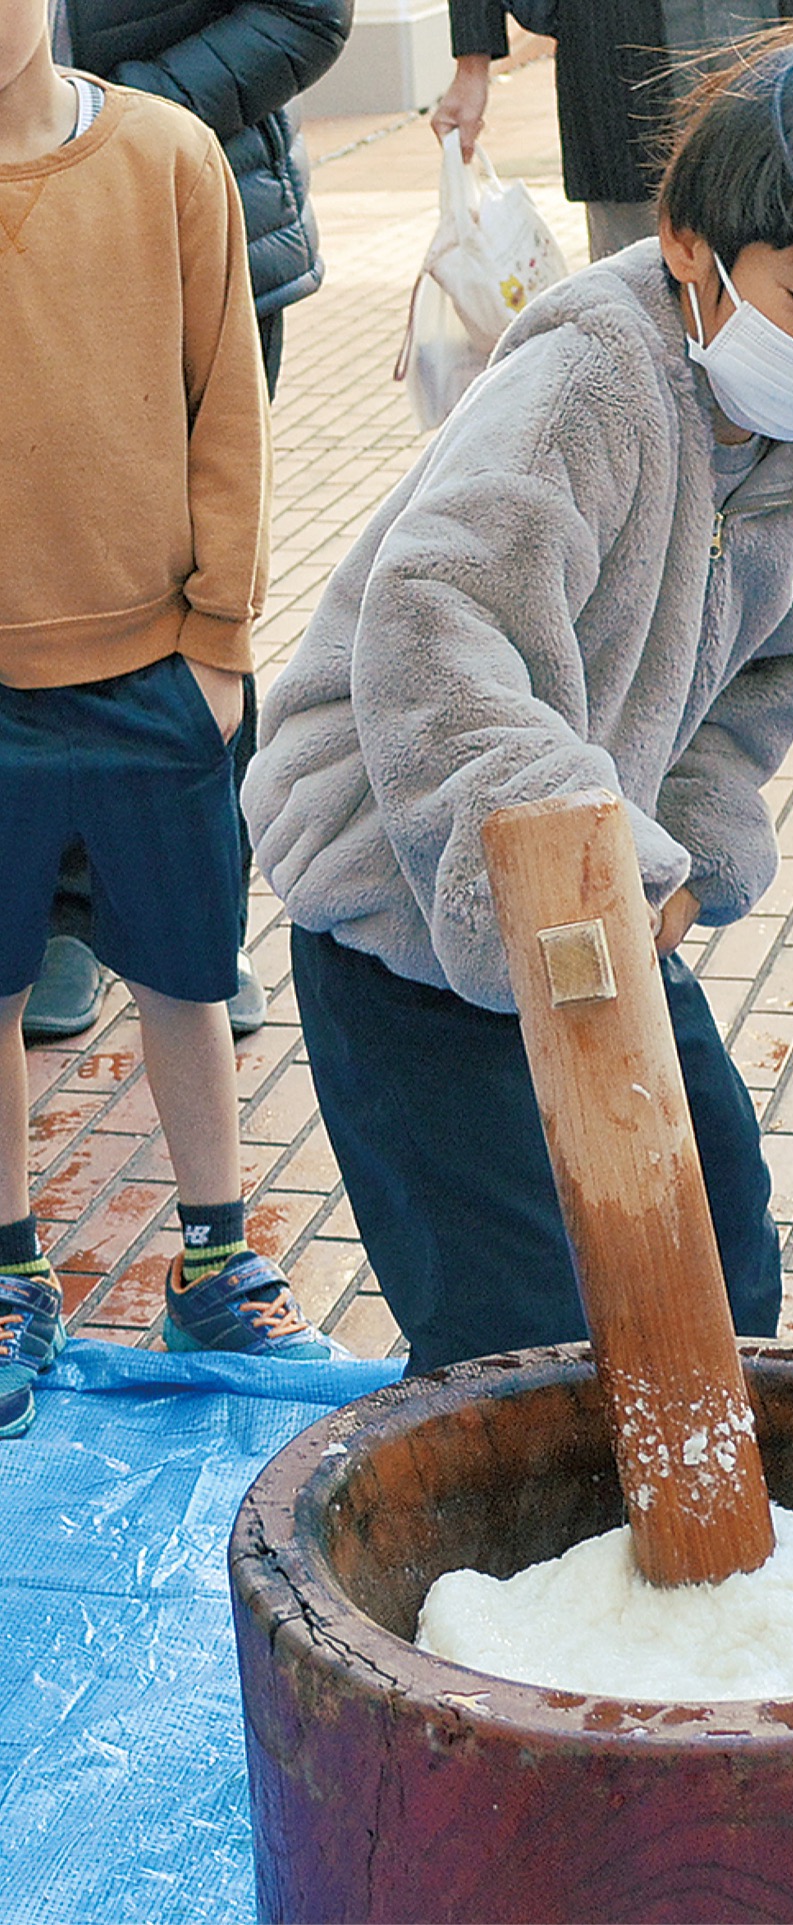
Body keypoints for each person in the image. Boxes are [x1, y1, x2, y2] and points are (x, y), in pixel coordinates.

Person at [245, 22, 793, 1376]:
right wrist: (577, 865)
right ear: (695, 247)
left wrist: (685, 855)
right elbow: (434, 619)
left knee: (719, 1245)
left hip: (600, 894)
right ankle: (502, 1562)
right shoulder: (592, 380)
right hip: (407, 908)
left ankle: (696, 1546)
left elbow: (770, 671)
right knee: (517, 1322)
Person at [0, 0, 343, 1439]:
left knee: (188, 973)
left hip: (157, 667)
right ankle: (11, 1268)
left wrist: (218, 638)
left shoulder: (169, 156)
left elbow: (229, 416)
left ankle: (216, 1251)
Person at [21, 0, 354, 1046]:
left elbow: (306, 12)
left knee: (194, 565)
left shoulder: (158, 152)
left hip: (171, 201)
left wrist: (124, 125)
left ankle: (203, 911)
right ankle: (66, 909)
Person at [439, 1, 793, 632]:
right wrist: (473, 65)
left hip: (786, 77)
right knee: (641, 356)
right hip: (630, 79)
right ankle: (646, 582)